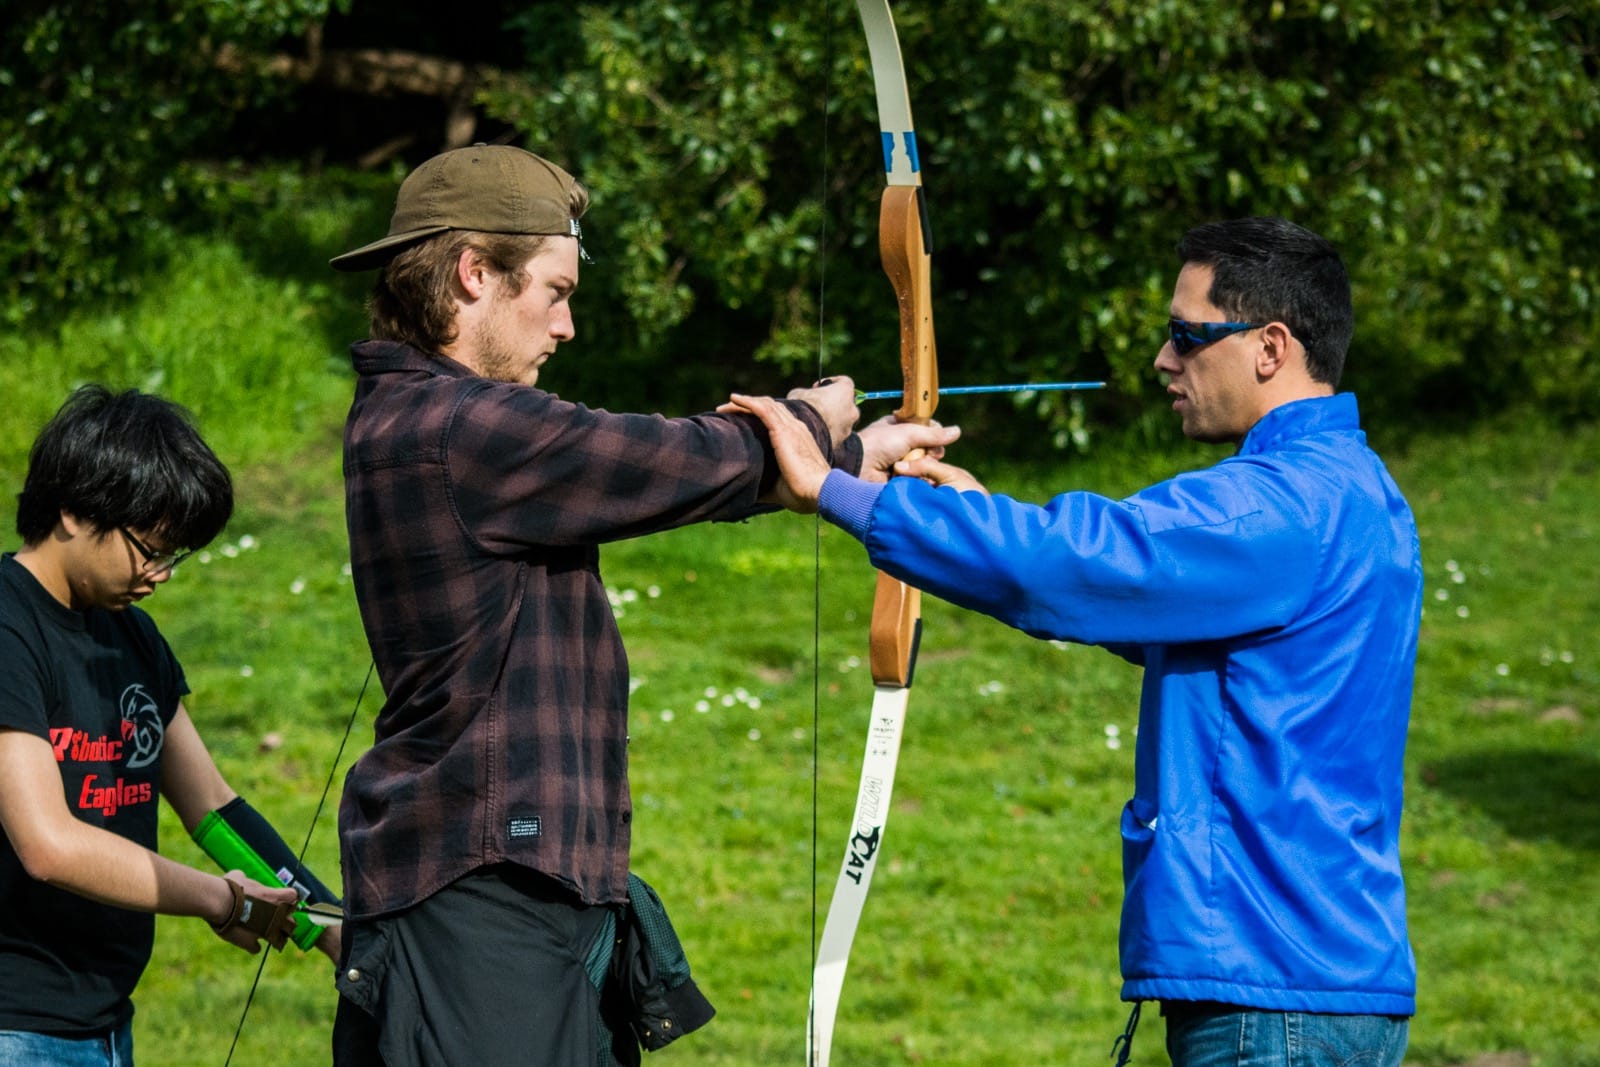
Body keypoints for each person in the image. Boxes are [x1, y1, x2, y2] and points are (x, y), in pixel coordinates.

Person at [729, 216, 1420, 1067]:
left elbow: (1079, 561)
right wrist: (975, 522)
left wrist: (832, 488)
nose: (1165, 360)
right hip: (1306, 980)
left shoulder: (1279, 506)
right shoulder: (1355, 491)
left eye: (1186, 335)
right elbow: (1148, 608)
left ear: (1270, 346)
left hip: (1270, 988)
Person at [326, 142, 955, 1067]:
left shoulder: (446, 427)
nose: (567, 323)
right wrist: (812, 423)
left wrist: (849, 465)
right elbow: (666, 460)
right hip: (479, 910)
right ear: (472, 276)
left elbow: (662, 479)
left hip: (519, 901)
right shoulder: (457, 427)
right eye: (555, 290)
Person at [0, 386, 342, 1066]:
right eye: (146, 549)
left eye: (173, 555)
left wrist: (330, 924)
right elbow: (49, 843)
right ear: (72, 509)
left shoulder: (135, 636)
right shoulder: (9, 627)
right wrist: (225, 901)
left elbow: (214, 810)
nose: (159, 575)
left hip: (103, 1025)